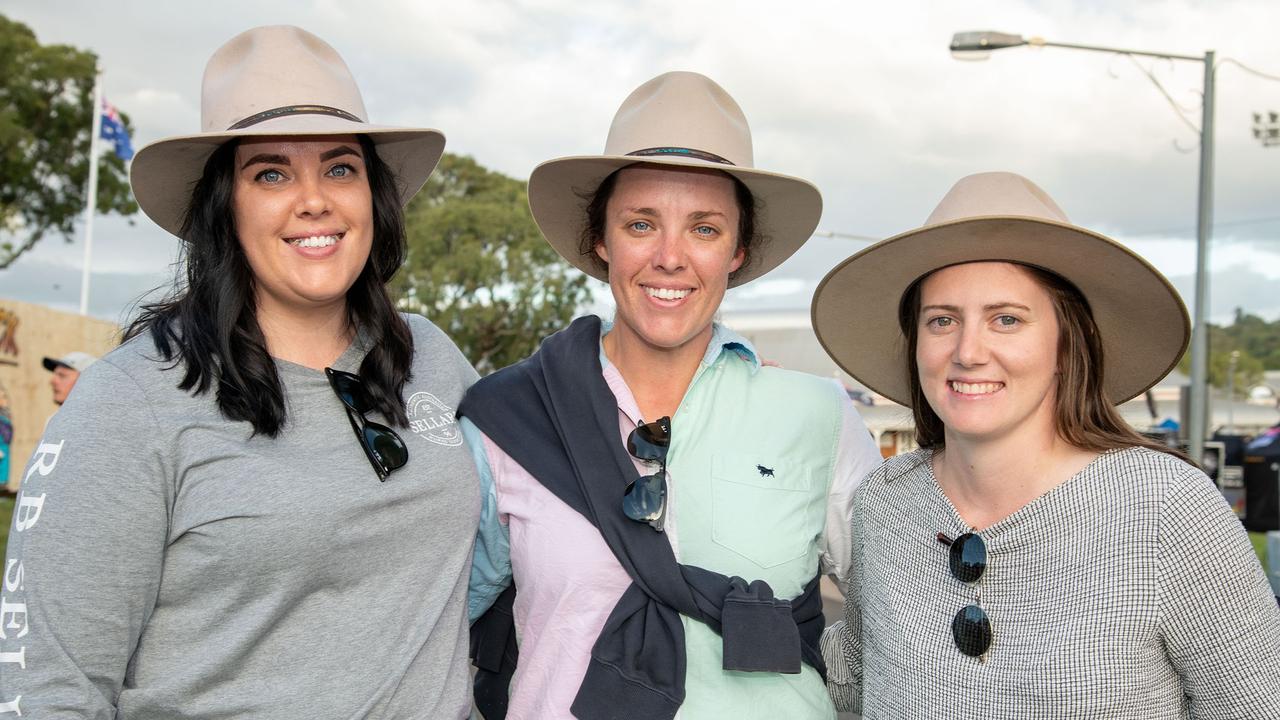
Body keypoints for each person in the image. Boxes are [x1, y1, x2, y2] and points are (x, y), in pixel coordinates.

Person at [1, 26, 480, 718]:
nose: (313, 200)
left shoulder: (432, 358)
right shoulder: (130, 401)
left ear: (373, 195)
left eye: (340, 167)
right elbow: (48, 688)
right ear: (224, 204)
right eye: (271, 173)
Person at [461, 71, 882, 720]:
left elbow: (901, 619)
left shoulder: (817, 417)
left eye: (704, 229)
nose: (669, 257)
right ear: (600, 239)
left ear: (738, 250)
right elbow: (429, 627)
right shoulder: (507, 421)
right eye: (640, 224)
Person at [810, 171, 1280, 718]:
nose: (968, 351)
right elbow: (855, 675)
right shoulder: (886, 503)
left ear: (1066, 343)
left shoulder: (1165, 510)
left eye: (1006, 319)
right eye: (942, 321)